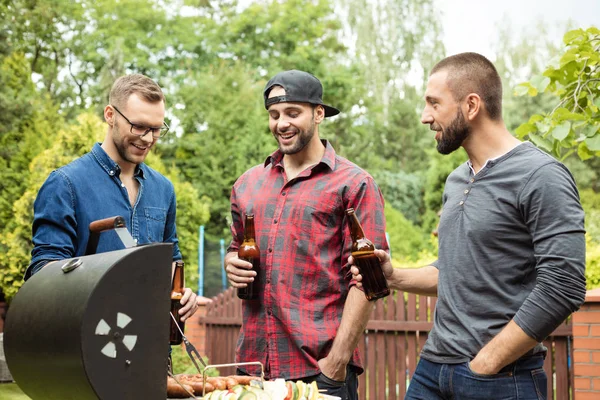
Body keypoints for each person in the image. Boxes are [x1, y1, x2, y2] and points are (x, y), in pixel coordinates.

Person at [351, 52, 587, 399]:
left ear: (471, 105)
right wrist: (393, 276)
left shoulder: (541, 176)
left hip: (500, 377)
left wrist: (486, 363)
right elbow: (453, 271)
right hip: (433, 369)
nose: (424, 116)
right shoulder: (457, 180)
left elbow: (564, 284)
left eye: (434, 103)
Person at [225, 70, 388, 400]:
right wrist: (231, 263)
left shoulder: (353, 184)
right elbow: (235, 248)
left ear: (318, 113)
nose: (281, 123)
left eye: (292, 113)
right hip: (253, 369)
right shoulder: (247, 185)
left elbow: (368, 281)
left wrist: (337, 362)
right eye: (274, 115)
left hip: (319, 372)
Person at [26, 74, 210, 318]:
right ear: (110, 115)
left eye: (156, 129)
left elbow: (171, 260)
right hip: (89, 343)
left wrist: (182, 292)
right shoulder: (65, 184)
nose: (147, 138)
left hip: (151, 345)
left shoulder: (163, 189)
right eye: (138, 126)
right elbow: (42, 273)